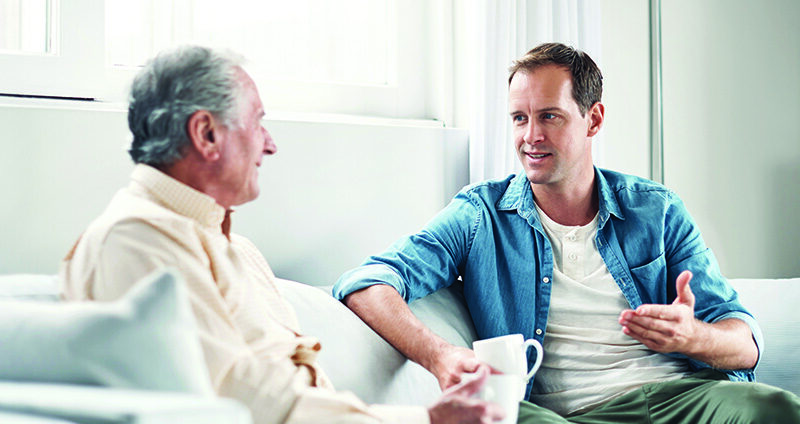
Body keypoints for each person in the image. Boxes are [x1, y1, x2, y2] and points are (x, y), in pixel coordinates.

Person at [332, 42, 800, 423]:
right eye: (520, 118)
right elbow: (366, 284)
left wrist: (691, 336)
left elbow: (745, 343)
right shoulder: (480, 215)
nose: (530, 135)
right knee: (503, 416)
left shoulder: (656, 210)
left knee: (775, 408)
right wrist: (440, 357)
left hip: (682, 399)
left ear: (593, 118)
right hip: (568, 415)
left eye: (549, 116)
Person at [60, 45, 505, 424]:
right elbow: (242, 401)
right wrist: (425, 419)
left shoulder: (234, 247)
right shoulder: (135, 240)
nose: (269, 144)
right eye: (256, 123)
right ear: (207, 133)